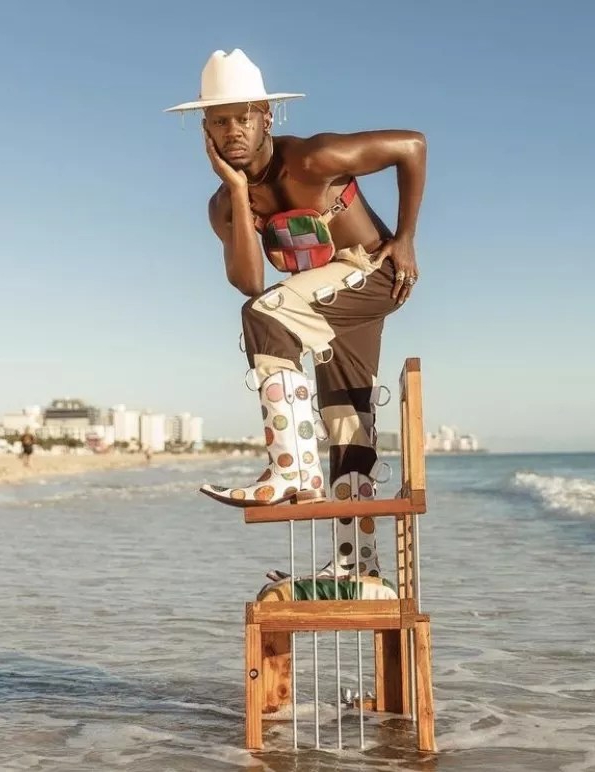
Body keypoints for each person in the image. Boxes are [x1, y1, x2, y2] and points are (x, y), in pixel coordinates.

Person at [166, 49, 426, 578]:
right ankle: (357, 566)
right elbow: (248, 279)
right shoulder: (223, 204)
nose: (233, 131)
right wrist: (239, 191)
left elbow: (412, 146)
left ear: (267, 116)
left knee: (265, 316)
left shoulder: (313, 157)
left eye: (243, 117)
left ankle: (291, 469)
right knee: (346, 419)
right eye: (219, 121)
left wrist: (405, 238)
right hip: (326, 296)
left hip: (375, 273)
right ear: (205, 131)